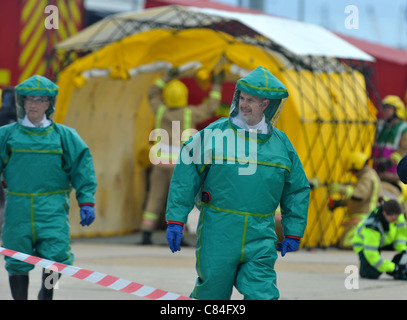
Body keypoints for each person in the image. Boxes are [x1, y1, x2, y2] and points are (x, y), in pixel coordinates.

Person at [165, 66, 310, 300]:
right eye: (242, 98)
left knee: (263, 294)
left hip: (261, 235)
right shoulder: (215, 134)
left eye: (251, 100)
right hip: (218, 232)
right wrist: (175, 218)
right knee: (211, 295)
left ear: (266, 104)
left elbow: (297, 189)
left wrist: (293, 230)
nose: (244, 104)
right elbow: (186, 171)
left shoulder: (282, 145)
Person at [0, 75, 97, 300]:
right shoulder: (6, 135)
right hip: (18, 208)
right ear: (22, 103)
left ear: (48, 104)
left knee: (57, 259)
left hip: (52, 208)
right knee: (16, 260)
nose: (33, 105)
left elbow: (83, 168)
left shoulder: (65, 136)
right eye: (29, 100)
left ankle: (47, 293)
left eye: (39, 100)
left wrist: (87, 200)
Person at [139, 67, 223, 245]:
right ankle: (181, 236)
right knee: (180, 199)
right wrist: (216, 85)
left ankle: (146, 233)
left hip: (159, 162)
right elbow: (211, 107)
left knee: (155, 197)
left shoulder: (160, 111)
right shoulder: (189, 113)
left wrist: (168, 75)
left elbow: (152, 91)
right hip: (180, 165)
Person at [328, 151, 382, 249]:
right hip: (363, 216)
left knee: (345, 242)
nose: (353, 174)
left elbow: (360, 195)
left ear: (357, 167)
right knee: (343, 241)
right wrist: (340, 203)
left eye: (353, 171)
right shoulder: (367, 175)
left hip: (364, 217)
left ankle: (369, 245)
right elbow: (357, 198)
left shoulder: (367, 177)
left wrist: (341, 189)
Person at [352, 199, 407, 280]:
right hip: (365, 245)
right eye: (393, 219)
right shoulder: (372, 227)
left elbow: (402, 234)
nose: (396, 220)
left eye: (397, 217)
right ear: (384, 213)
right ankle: (367, 270)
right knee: (372, 273)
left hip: (385, 240)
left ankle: (399, 268)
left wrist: (403, 250)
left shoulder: (398, 215)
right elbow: (372, 256)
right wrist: (392, 267)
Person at [372, 95, 407, 184]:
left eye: (389, 108)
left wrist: (389, 163)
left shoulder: (403, 128)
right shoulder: (381, 126)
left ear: (397, 111)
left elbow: (404, 151)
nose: (385, 111)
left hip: (393, 174)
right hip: (377, 171)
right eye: (384, 108)